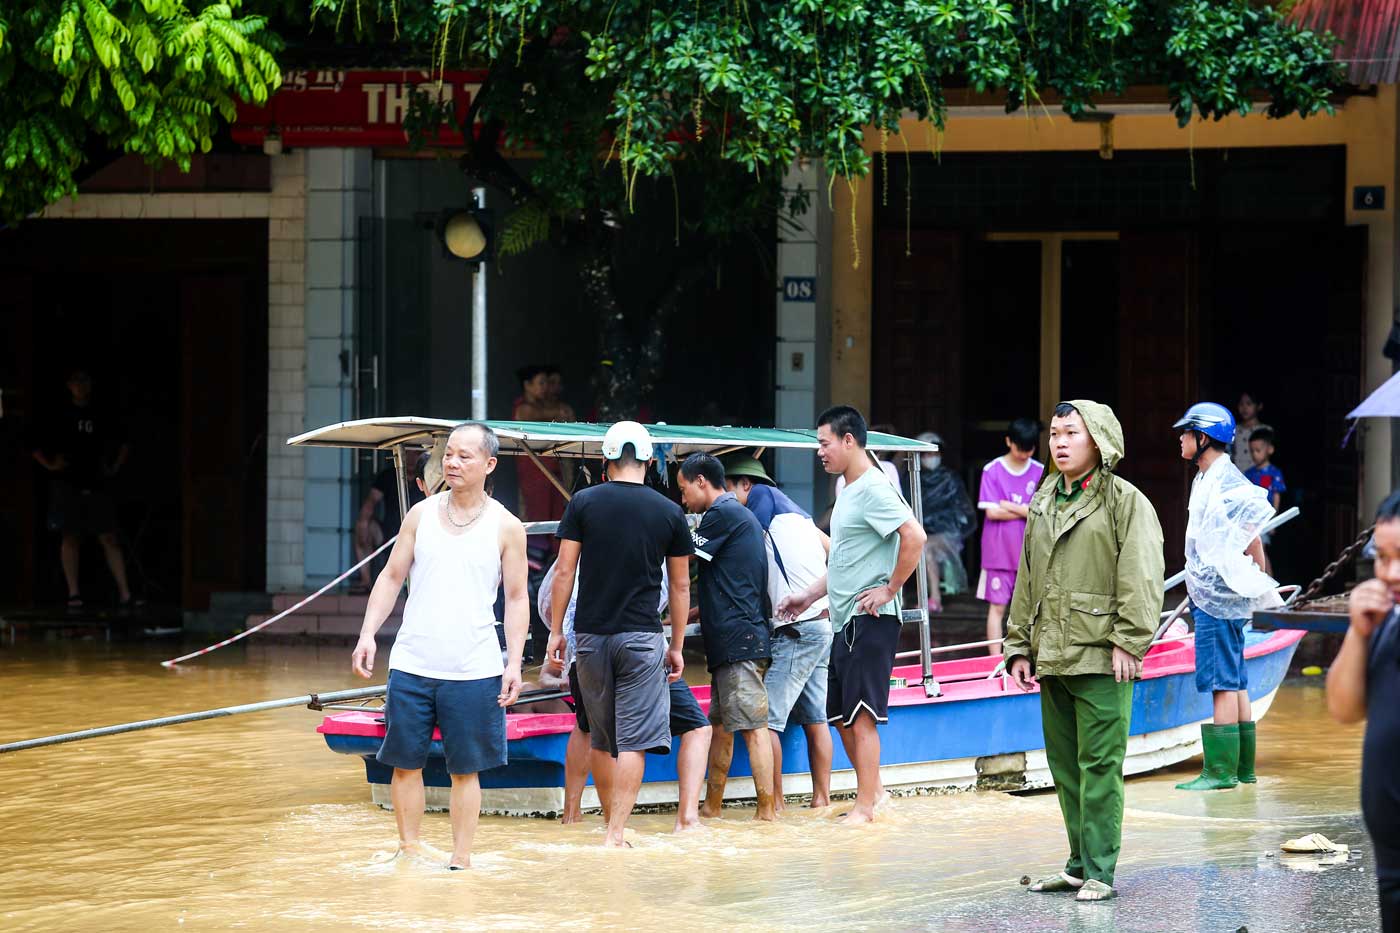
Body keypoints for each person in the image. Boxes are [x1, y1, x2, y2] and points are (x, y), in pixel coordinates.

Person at [1004, 400, 1164, 902]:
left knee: (1100, 765)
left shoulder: (1124, 501)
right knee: (1065, 766)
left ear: (1098, 440)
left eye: (1071, 433)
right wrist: (1018, 645)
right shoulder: (1046, 495)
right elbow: (1027, 575)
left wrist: (1129, 640)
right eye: (1054, 434)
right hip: (1052, 653)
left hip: (1101, 653)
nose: (1059, 442)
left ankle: (1100, 871)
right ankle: (1076, 865)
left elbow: (1140, 574)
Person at [350, 422, 529, 870]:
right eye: (449, 454)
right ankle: (408, 851)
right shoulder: (421, 515)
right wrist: (368, 633)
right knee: (404, 764)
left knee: (464, 770)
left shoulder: (507, 526)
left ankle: (461, 859)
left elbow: (516, 597)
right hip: (412, 662)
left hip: (474, 667)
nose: (452, 462)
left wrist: (513, 663)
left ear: (489, 465)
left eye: (464, 456)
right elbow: (392, 577)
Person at [777, 405, 926, 825]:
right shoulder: (848, 492)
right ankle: (874, 795)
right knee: (840, 715)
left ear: (848, 440)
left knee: (861, 716)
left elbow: (914, 536)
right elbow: (844, 562)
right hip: (843, 619)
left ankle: (865, 808)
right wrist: (807, 596)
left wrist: (891, 589)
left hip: (870, 618)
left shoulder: (875, 488)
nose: (819, 452)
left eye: (823, 444)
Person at [546, 421, 693, 848]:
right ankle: (615, 834)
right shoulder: (669, 511)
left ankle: (607, 823)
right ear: (650, 461)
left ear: (605, 461)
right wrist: (678, 645)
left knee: (600, 734)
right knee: (635, 740)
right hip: (642, 638)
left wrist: (557, 631)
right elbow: (681, 586)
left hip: (590, 637)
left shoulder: (583, 503)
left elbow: (564, 572)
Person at [538, 536, 711, 831]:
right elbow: (671, 593)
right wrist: (676, 646)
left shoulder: (585, 530)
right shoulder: (653, 542)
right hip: (634, 649)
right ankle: (677, 820)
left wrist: (561, 640)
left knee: (589, 728)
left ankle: (580, 817)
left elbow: (550, 595)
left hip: (587, 646)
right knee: (687, 727)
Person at [1172, 403, 1279, 792]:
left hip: (1218, 596)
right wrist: (1258, 578)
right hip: (1222, 594)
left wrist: (1258, 579)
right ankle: (1242, 769)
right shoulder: (1212, 476)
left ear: (1203, 437)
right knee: (1236, 678)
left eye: (1186, 433)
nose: (1180, 439)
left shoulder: (1221, 480)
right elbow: (1247, 535)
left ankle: (1219, 773)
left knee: (1222, 680)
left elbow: (1250, 530)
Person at [722, 454, 835, 810]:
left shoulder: (757, 505)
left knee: (765, 721)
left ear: (746, 485)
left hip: (797, 629)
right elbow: (835, 551)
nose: (724, 499)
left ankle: (777, 805)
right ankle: (821, 800)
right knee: (816, 717)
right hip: (822, 623)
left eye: (727, 489)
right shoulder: (798, 513)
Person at [677, 453, 777, 822]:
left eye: (684, 490)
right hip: (734, 640)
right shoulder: (738, 518)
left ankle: (767, 813)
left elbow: (683, 551)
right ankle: (711, 807)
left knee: (752, 728)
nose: (683, 499)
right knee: (720, 727)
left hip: (740, 642)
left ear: (702, 481)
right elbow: (730, 584)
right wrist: (688, 615)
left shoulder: (723, 514)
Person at [1326, 492, 1400, 933]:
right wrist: (1357, 631)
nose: (1390, 574)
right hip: (1391, 855)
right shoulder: (1385, 620)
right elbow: (1343, 708)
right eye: (1383, 558)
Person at [31, 367, 133, 609]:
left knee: (108, 536)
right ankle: (73, 593)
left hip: (96, 481)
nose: (81, 386)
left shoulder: (102, 413)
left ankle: (125, 593)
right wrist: (50, 464)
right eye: (76, 381)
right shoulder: (59, 414)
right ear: (69, 386)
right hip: (67, 482)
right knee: (70, 536)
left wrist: (114, 466)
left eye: (85, 381)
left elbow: (125, 440)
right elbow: (32, 442)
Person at [978, 419, 1045, 654]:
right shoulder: (992, 470)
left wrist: (1009, 505)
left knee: (1031, 611)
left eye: (1030, 449)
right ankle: (994, 661)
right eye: (1020, 448)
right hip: (998, 553)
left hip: (1031, 554)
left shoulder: (1040, 471)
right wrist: (1024, 510)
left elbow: (1040, 513)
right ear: (1008, 442)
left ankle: (1029, 657)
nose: (1024, 454)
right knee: (997, 609)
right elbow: (992, 512)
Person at [910, 431, 977, 612]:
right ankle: (931, 598)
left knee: (925, 550)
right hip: (921, 532)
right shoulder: (912, 477)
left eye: (935, 453)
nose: (932, 458)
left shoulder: (950, 478)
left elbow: (962, 511)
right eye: (927, 454)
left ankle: (933, 599)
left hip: (947, 533)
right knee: (923, 547)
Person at [512, 364, 576, 530]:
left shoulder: (547, 406)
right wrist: (559, 414)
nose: (546, 388)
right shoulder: (523, 408)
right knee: (535, 514)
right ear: (527, 385)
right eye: (541, 383)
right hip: (533, 471)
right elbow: (532, 415)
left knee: (556, 511)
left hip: (552, 470)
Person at [353, 454, 429, 592]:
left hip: (420, 535)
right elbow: (371, 501)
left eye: (415, 455)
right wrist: (363, 521)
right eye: (407, 454)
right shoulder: (388, 476)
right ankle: (365, 581)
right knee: (364, 528)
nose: (411, 459)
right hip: (389, 534)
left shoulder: (429, 477)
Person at [1230, 392, 1271, 473]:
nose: (1244, 408)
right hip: (1238, 475)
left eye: (1249, 404)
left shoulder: (1266, 430)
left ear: (1259, 406)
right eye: (1241, 404)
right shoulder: (1234, 430)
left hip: (1259, 477)